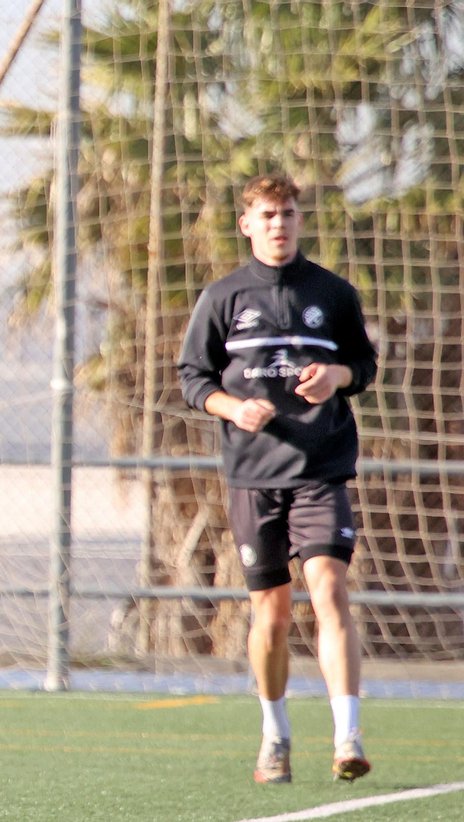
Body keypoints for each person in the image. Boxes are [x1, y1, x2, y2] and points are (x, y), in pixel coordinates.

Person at [177, 173, 379, 785]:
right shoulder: (224, 298)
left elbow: (364, 364)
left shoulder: (333, 293)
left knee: (329, 593)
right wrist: (233, 408)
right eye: (266, 215)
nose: (278, 224)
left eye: (288, 213)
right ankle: (275, 733)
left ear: (299, 219)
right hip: (253, 475)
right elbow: (193, 378)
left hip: (321, 470)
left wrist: (336, 378)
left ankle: (348, 737)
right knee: (271, 613)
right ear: (247, 224)